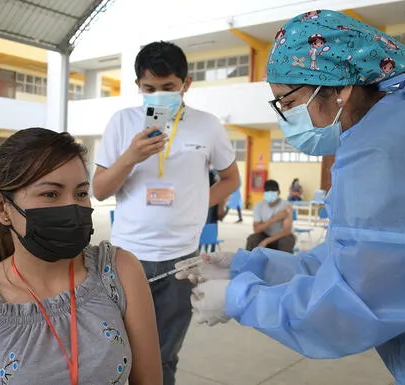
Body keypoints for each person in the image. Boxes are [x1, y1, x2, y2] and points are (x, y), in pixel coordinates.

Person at [174, 10, 405, 385]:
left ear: (339, 89)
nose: (285, 116)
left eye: (287, 101)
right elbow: (351, 258)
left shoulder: (390, 154)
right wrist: (249, 267)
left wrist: (242, 298)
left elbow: (357, 302)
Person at [0, 128, 162, 385]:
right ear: (2, 207)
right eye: (50, 194)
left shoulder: (117, 271)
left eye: (80, 193)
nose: (72, 207)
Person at [92, 41, 240, 385]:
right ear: (138, 87)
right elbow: (99, 190)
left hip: (181, 260)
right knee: (117, 351)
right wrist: (131, 156)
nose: (158, 95)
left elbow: (231, 178)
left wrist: (198, 203)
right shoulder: (122, 122)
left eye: (168, 88)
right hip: (129, 257)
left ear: (185, 84)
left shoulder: (207, 125)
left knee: (164, 355)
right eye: (149, 89)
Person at [246, 180, 295, 253]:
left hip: (282, 236)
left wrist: (266, 241)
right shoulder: (258, 206)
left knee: (285, 243)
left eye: (273, 191)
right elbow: (256, 229)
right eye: (267, 191)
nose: (270, 193)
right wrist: (273, 219)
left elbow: (286, 231)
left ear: (279, 192)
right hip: (265, 234)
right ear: (264, 193)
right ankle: (250, 262)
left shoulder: (286, 206)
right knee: (252, 239)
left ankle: (282, 263)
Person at [204, 168, 227, 253]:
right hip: (212, 203)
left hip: (208, 204)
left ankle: (208, 251)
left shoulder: (212, 172)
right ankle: (210, 251)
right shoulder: (215, 172)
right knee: (210, 230)